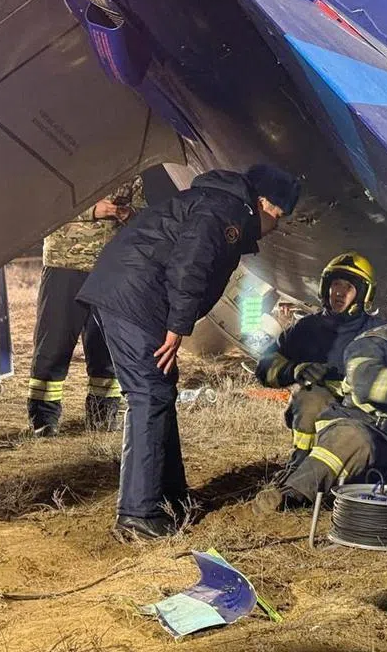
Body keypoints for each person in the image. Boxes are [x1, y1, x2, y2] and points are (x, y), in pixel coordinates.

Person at [77, 164, 300, 540]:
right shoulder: (225, 212)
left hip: (133, 293)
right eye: (278, 215)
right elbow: (190, 264)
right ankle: (138, 514)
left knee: (160, 390)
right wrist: (178, 326)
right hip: (135, 298)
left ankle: (171, 499)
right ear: (262, 203)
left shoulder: (217, 204)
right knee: (148, 395)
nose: (277, 225)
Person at [263, 282, 387, 511]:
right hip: (361, 427)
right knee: (353, 439)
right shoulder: (371, 343)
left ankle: (384, 511)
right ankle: (290, 495)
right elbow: (366, 383)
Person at [28, 177, 145, 437]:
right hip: (63, 265)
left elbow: (142, 213)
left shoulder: (130, 170)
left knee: (105, 345)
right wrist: (92, 210)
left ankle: (103, 416)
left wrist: (129, 214)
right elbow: (44, 205)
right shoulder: (65, 167)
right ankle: (44, 419)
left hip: (110, 268)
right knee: (53, 342)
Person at [255, 253, 386, 476]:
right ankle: (300, 463)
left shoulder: (380, 332)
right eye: (336, 284)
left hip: (365, 414)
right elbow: (265, 366)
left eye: (348, 287)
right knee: (310, 398)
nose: (340, 292)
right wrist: (295, 370)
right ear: (326, 287)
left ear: (363, 295)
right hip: (319, 408)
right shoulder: (307, 328)